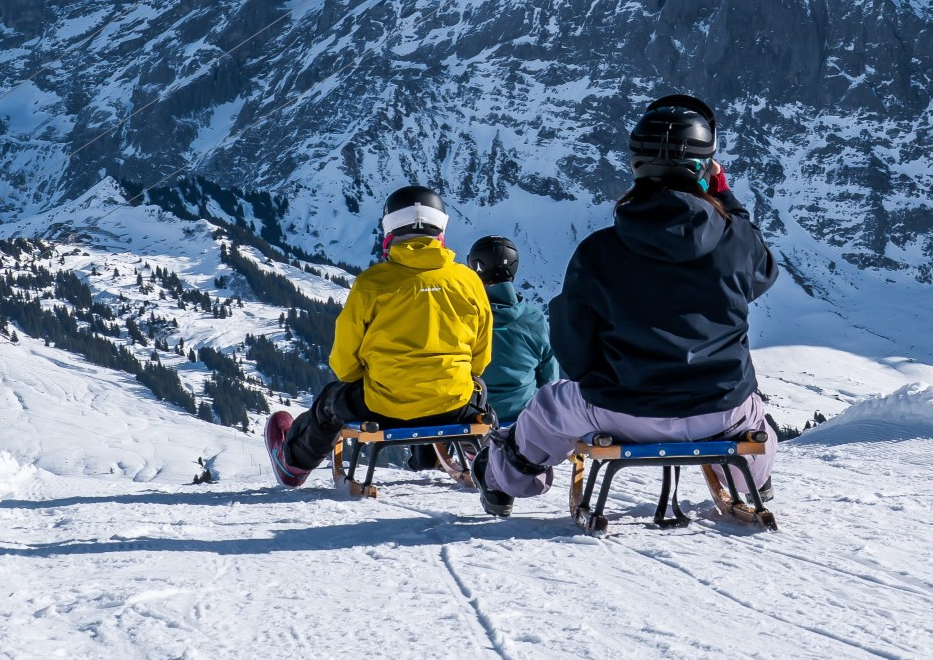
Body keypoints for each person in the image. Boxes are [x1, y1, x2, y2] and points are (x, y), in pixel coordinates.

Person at [472, 95, 778, 517]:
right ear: (708, 169)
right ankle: (753, 478)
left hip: (624, 409)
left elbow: (575, 358)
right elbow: (763, 271)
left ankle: (503, 481)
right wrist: (725, 198)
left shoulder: (598, 252)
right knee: (755, 417)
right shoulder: (738, 240)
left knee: (546, 408)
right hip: (720, 408)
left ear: (637, 167)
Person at [265, 185, 492, 488]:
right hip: (453, 403)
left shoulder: (372, 284)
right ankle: (485, 459)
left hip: (383, 406)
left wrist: (378, 380)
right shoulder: (468, 281)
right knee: (478, 389)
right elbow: (481, 357)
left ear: (389, 229)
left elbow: (344, 364)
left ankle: (293, 463)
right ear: (441, 227)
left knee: (330, 400)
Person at [466, 235, 559, 425]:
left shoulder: (464, 318)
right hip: (526, 421)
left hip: (473, 420)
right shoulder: (535, 319)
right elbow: (549, 381)